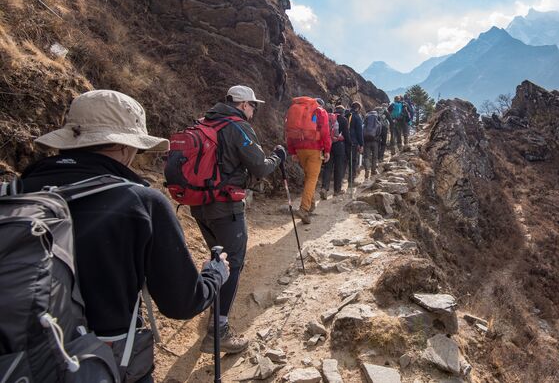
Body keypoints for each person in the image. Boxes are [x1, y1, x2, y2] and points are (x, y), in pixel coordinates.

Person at [21, 89, 230, 382]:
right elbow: (182, 303)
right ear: (123, 147)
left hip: (18, 362)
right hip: (101, 364)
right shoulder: (140, 203)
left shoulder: (14, 195)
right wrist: (214, 276)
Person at [190, 85, 285, 353]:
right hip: (226, 207)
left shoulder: (204, 122)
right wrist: (278, 157)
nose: (255, 109)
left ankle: (210, 302)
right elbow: (260, 167)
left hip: (199, 204)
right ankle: (218, 332)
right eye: (253, 105)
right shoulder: (237, 127)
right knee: (233, 262)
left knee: (217, 256)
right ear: (243, 104)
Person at [286, 97, 331, 223]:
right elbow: (325, 132)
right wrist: (327, 150)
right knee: (312, 178)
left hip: (299, 148)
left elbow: (288, 133)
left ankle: (311, 205)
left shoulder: (296, 111)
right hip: (314, 149)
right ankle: (304, 209)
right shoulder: (320, 111)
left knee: (308, 176)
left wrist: (292, 151)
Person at [321, 104, 349, 199]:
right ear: (343, 112)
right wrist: (350, 144)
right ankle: (337, 190)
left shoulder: (328, 118)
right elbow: (346, 134)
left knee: (327, 167)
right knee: (339, 167)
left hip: (327, 145)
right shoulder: (343, 119)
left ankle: (324, 188)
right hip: (339, 146)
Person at [345, 101, 364, 188]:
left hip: (343, 141)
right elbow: (359, 132)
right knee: (353, 161)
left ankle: (340, 182)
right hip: (353, 141)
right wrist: (361, 144)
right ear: (357, 108)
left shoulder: (345, 114)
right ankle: (351, 181)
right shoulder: (356, 116)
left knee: (343, 161)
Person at [362, 108, 383, 178]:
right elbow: (379, 133)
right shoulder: (378, 123)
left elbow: (362, 132)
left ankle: (367, 170)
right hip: (375, 142)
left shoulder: (365, 123)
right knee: (374, 156)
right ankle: (373, 170)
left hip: (366, 142)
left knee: (366, 157)